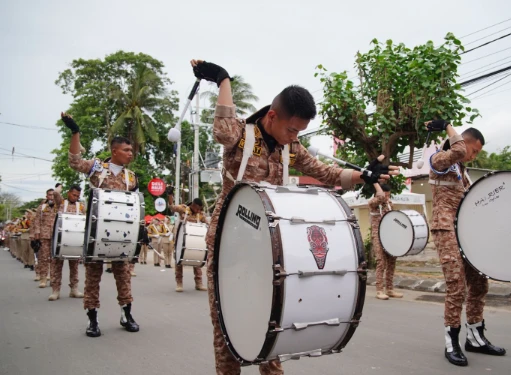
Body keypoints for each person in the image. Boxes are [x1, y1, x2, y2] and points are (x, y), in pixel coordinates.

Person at [190, 59, 398, 375]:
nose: (293, 136)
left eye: (299, 131)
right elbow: (221, 129)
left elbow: (324, 172)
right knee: (226, 324)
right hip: (228, 242)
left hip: (270, 245)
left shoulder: (291, 147)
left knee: (273, 322)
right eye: (291, 128)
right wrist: (223, 78)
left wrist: (364, 175)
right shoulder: (242, 135)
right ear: (272, 116)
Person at [427, 120, 505, 367]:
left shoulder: (463, 172)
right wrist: (449, 127)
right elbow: (459, 150)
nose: (474, 155)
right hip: (445, 227)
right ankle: (452, 342)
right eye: (476, 150)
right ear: (463, 141)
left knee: (479, 282)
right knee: (456, 284)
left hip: (464, 232)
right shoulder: (440, 160)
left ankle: (476, 337)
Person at [61, 112, 139, 338]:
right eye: (126, 150)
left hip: (121, 234)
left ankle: (127, 314)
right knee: (93, 277)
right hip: (96, 233)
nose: (130, 153)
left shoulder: (131, 178)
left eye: (131, 150)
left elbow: (134, 206)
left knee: (123, 276)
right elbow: (75, 162)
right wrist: (75, 132)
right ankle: (92, 319)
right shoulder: (97, 168)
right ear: (114, 151)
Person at [47, 184, 86, 301]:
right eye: (74, 194)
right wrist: (59, 187)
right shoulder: (61, 203)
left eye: (78, 195)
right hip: (60, 239)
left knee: (74, 266)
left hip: (74, 240)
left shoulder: (81, 206)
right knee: (56, 266)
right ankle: (55, 291)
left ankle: (74, 289)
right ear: (69, 193)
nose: (75, 197)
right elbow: (55, 193)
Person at [369, 184, 403, 300]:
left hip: (389, 235)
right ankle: (379, 290)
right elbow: (380, 199)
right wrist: (378, 189)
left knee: (392, 261)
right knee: (381, 262)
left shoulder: (389, 204)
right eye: (385, 195)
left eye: (388, 195)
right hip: (378, 235)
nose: (387, 197)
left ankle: (389, 289)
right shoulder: (373, 203)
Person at [167, 194, 208, 292]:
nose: (198, 210)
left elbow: (207, 223)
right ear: (193, 205)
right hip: (180, 240)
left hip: (194, 241)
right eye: (197, 208)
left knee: (197, 260)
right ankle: (179, 283)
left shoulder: (200, 214)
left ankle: (199, 283)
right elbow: (171, 207)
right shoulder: (183, 209)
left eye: (200, 209)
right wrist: (170, 196)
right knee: (179, 262)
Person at [31, 189, 59, 288]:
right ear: (46, 196)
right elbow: (37, 221)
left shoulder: (59, 207)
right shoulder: (41, 207)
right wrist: (37, 233)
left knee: (54, 259)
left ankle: (53, 278)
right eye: (50, 195)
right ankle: (43, 279)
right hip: (44, 236)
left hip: (55, 236)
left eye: (53, 195)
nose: (51, 197)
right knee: (43, 258)